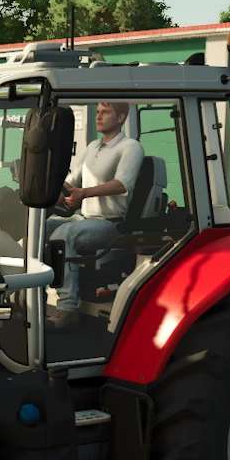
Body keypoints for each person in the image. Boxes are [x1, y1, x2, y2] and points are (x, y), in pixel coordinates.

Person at [45, 102, 142, 328]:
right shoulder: (92, 147)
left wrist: (84, 193)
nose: (98, 116)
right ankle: (34, 295)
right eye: (97, 112)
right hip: (83, 219)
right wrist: (53, 192)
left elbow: (122, 184)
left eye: (105, 112)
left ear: (121, 117)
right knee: (41, 229)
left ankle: (68, 309)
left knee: (63, 234)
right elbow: (72, 181)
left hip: (110, 224)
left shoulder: (130, 147)